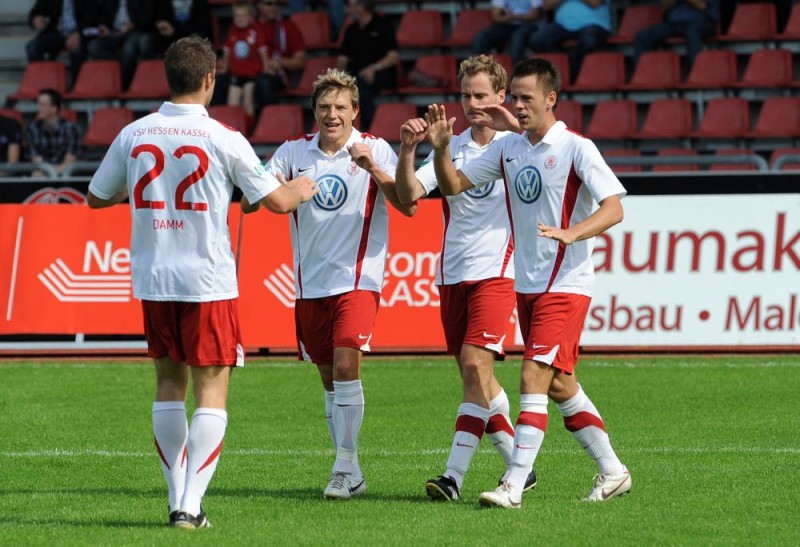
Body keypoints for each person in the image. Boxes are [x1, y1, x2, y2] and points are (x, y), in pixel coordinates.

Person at [86, 35, 317, 529]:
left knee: (169, 384)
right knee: (212, 390)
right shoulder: (224, 136)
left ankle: (177, 498)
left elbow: (95, 196)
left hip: (154, 277)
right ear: (210, 79)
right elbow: (274, 203)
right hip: (208, 280)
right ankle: (189, 505)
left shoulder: (134, 134)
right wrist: (296, 189)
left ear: (167, 78)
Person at [428, 57, 630, 509]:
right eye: (514, 98)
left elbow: (614, 207)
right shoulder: (508, 150)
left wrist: (572, 233)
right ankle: (614, 471)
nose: (518, 106)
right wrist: (441, 149)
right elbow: (454, 184)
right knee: (559, 385)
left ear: (551, 99)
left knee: (531, 374)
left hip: (567, 281)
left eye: (526, 98)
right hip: (529, 286)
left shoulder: (577, 147)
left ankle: (513, 485)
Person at [243, 68, 416, 500]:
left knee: (345, 365)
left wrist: (373, 168)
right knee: (328, 379)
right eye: (324, 107)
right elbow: (249, 201)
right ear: (313, 111)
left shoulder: (374, 148)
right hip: (309, 284)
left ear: (355, 111)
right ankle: (352, 468)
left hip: (358, 278)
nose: (332, 114)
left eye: (340, 107)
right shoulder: (291, 152)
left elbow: (407, 203)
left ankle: (342, 465)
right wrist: (281, 192)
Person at [395, 55, 537, 502]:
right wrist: (407, 151)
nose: (472, 103)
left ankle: (453, 477)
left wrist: (514, 124)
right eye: (465, 95)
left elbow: (548, 148)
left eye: (481, 95)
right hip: (452, 271)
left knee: (476, 365)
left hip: (498, 268)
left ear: (500, 96)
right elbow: (407, 197)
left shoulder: (518, 144)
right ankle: (520, 463)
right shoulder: (450, 143)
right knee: (474, 379)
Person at [336, 0, 399, 130]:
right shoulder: (351, 30)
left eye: (351, 5)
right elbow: (342, 59)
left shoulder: (383, 25)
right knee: (338, 85)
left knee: (361, 84)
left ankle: (367, 130)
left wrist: (373, 68)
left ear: (362, 6)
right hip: (357, 74)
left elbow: (393, 57)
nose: (348, 10)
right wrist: (337, 77)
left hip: (382, 73)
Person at [524, 0, 611, 78]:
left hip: (593, 23)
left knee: (589, 41)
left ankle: (572, 76)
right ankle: (567, 61)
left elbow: (594, 2)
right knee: (537, 40)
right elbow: (547, 6)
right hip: (562, 24)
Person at [87, 0, 161, 90]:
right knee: (94, 46)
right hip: (114, 33)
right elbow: (102, 14)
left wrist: (133, 25)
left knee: (128, 49)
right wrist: (103, 26)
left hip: (135, 31)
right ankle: (121, 64)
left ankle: (124, 86)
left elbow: (148, 17)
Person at [25, 0, 100, 85]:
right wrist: (35, 19)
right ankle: (43, 84)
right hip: (58, 33)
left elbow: (93, 16)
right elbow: (37, 10)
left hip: (82, 32)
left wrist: (78, 33)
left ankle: (76, 86)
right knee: (32, 46)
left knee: (78, 48)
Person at [632, 0, 720, 72]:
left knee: (692, 33)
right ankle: (639, 75)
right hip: (674, 23)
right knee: (642, 36)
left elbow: (702, 6)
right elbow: (663, 8)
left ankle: (694, 73)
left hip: (702, 22)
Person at [219, 2, 270, 119]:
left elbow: (262, 50)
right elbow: (227, 51)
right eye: (237, 16)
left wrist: (266, 66)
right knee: (232, 105)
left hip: (251, 76)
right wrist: (224, 68)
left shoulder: (255, 31)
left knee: (248, 103)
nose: (240, 19)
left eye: (243, 16)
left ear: (250, 17)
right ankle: (235, 131)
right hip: (236, 75)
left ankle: (248, 132)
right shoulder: (232, 31)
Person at [254, 0, 307, 109]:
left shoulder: (288, 27)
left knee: (263, 82)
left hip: (276, 76)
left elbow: (301, 61)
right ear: (258, 5)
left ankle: (267, 122)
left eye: (276, 4)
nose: (274, 7)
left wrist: (280, 62)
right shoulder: (249, 27)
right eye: (269, 4)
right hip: (250, 72)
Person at [26, 88, 83, 177]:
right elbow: (37, 160)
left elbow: (70, 161)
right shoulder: (33, 129)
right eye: (38, 104)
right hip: (44, 173)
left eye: (42, 105)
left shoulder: (71, 128)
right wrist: (49, 172)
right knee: (36, 175)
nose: (38, 108)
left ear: (54, 108)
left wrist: (53, 173)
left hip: (67, 174)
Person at [471, 0, 544, 64]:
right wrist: (508, 18)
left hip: (529, 26)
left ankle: (518, 75)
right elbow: (495, 15)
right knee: (480, 37)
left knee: (517, 39)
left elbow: (535, 15)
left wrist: (514, 16)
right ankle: (480, 70)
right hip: (506, 25)